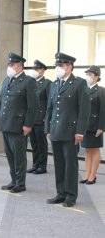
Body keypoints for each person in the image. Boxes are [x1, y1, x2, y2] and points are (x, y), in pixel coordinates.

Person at [45, 53, 90, 207]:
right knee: (59, 164)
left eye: (60, 65)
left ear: (69, 66)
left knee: (70, 165)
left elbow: (84, 111)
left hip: (71, 132)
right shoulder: (54, 84)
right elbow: (49, 109)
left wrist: (80, 132)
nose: (57, 68)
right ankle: (60, 193)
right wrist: (48, 129)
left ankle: (71, 196)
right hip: (56, 131)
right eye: (57, 65)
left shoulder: (80, 83)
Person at [0, 52, 38, 193]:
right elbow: (2, 102)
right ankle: (13, 180)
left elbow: (33, 106)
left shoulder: (28, 81)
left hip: (18, 125)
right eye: (8, 64)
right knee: (9, 155)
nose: (9, 66)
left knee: (19, 156)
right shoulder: (6, 80)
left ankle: (20, 183)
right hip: (6, 124)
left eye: (12, 64)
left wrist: (28, 124)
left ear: (20, 66)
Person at [80, 65, 105, 185]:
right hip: (86, 125)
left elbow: (103, 110)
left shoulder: (101, 90)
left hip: (95, 125)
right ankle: (87, 173)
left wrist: (101, 127)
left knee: (95, 150)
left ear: (96, 77)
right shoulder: (85, 89)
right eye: (87, 74)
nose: (88, 77)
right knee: (87, 150)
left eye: (90, 75)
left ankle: (93, 175)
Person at [26, 60, 51, 174]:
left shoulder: (47, 83)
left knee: (41, 144)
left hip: (41, 119)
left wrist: (46, 118)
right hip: (32, 118)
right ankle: (35, 164)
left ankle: (42, 166)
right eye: (34, 69)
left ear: (42, 70)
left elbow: (50, 103)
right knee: (34, 143)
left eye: (37, 69)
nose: (34, 71)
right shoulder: (31, 82)